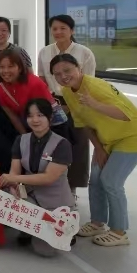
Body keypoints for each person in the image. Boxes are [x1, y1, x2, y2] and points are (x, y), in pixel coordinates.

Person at [52, 54, 137, 247]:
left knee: (111, 181)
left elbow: (126, 115)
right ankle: (97, 222)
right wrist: (98, 148)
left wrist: (94, 104)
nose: (63, 76)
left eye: (67, 70)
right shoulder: (67, 91)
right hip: (107, 140)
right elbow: (83, 123)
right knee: (96, 180)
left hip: (132, 136)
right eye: (57, 74)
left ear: (79, 68)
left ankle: (119, 232)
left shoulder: (95, 87)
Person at [0, 99, 74, 257]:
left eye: (40, 115)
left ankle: (62, 229)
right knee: (4, 195)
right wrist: (13, 187)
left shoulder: (62, 144)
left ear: (50, 118)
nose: (35, 120)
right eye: (30, 116)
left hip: (54, 202)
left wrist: (15, 179)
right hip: (30, 196)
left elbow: (48, 178)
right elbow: (14, 172)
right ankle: (29, 229)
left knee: (45, 251)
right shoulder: (21, 140)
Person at [38, 15, 96, 199]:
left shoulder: (84, 52)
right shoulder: (45, 52)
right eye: (54, 29)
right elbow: (42, 80)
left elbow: (88, 83)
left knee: (78, 145)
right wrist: (52, 106)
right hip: (52, 102)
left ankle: (72, 188)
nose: (58, 32)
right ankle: (53, 183)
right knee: (53, 145)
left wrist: (70, 106)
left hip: (78, 101)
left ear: (72, 30)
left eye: (63, 28)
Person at [0, 49, 66, 138]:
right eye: (1, 67)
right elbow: (12, 116)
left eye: (10, 66)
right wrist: (25, 137)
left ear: (20, 68)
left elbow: (46, 114)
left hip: (54, 126)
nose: (6, 71)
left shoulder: (34, 83)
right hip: (30, 125)